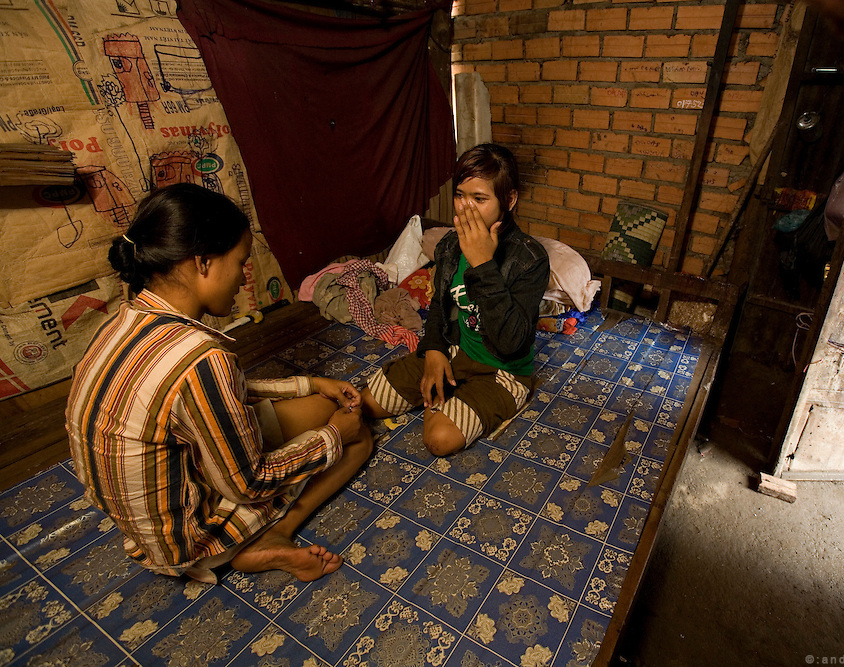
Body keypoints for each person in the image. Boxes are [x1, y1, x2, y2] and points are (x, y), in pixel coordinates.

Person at [66, 183, 372, 584]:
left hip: (144, 529)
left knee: (315, 406)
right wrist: (333, 434)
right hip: (187, 541)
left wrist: (309, 382)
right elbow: (249, 483)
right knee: (358, 435)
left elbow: (218, 396)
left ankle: (270, 522)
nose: (243, 278)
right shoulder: (201, 357)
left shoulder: (123, 322)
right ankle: (270, 535)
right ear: (204, 263)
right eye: (241, 262)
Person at [360, 143, 549, 456]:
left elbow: (511, 342)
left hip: (504, 370)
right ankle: (450, 389)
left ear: (509, 200)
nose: (465, 209)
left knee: (438, 439)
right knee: (366, 403)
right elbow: (439, 306)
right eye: (460, 195)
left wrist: (484, 266)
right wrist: (434, 350)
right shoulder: (450, 245)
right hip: (456, 349)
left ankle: (463, 400)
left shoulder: (529, 258)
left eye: (480, 198)